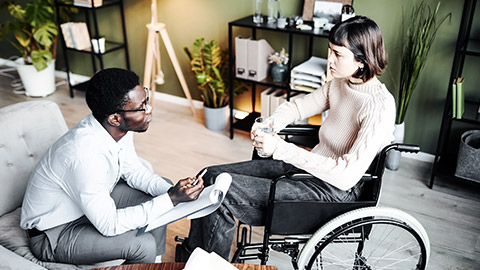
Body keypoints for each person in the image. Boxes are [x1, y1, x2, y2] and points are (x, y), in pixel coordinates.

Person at [176, 16, 396, 261]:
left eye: (337, 54)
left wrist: (280, 148)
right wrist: (272, 125)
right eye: (330, 50)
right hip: (306, 169)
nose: (330, 60)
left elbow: (345, 176)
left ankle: (202, 264)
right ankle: (191, 258)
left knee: (222, 189)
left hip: (331, 192)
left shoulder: (379, 106)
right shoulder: (340, 84)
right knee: (209, 175)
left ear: (362, 58)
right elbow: (297, 107)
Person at [20, 68, 204, 265]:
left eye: (146, 99)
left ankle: (153, 263)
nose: (149, 109)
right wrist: (172, 199)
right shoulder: (84, 154)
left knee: (162, 189)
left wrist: (173, 192)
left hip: (85, 207)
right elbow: (109, 225)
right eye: (142, 107)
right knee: (143, 245)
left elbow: (134, 171)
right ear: (115, 118)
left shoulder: (116, 128)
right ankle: (149, 259)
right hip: (54, 233)